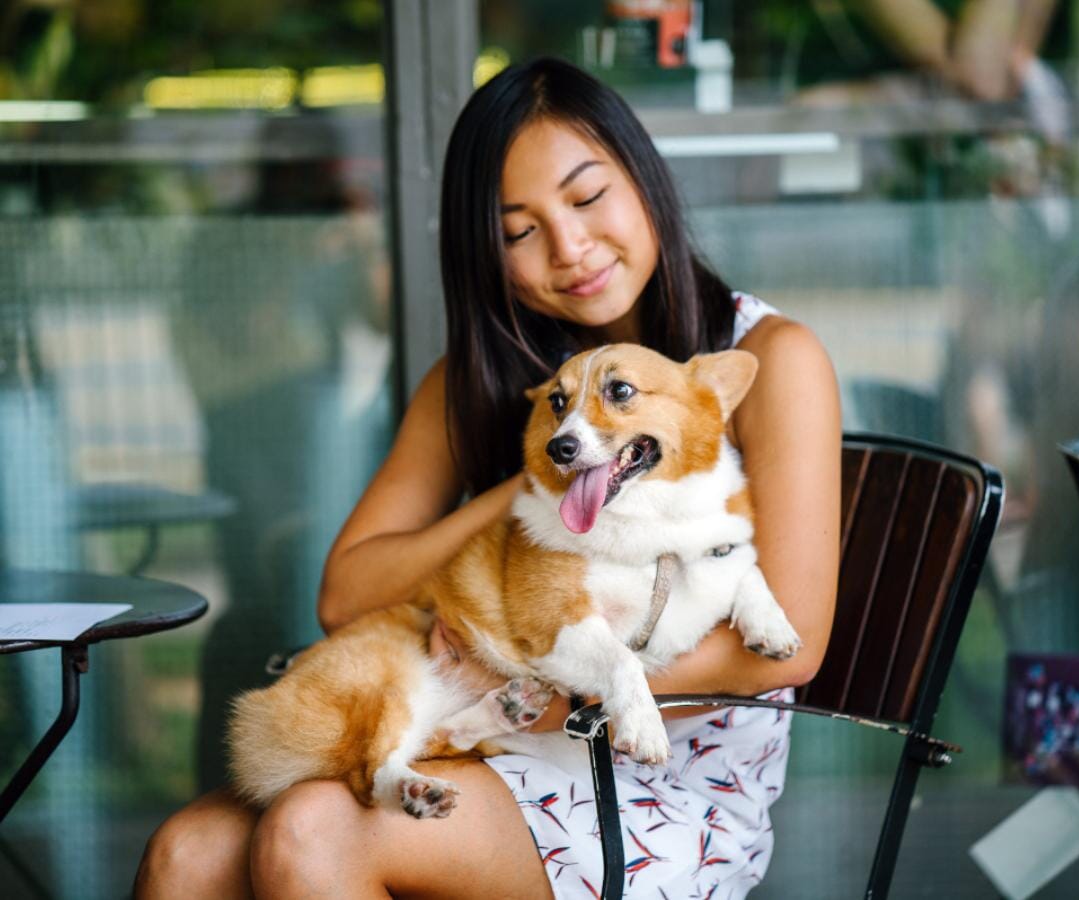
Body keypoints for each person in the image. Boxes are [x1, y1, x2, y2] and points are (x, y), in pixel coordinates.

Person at [135, 56, 840, 899]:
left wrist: (533, 698)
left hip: (664, 776)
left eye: (586, 198)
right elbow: (347, 593)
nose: (570, 248)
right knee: (185, 852)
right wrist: (547, 476)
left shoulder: (767, 356)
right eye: (519, 231)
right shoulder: (484, 380)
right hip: (484, 735)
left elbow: (784, 647)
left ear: (645, 179)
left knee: (312, 834)